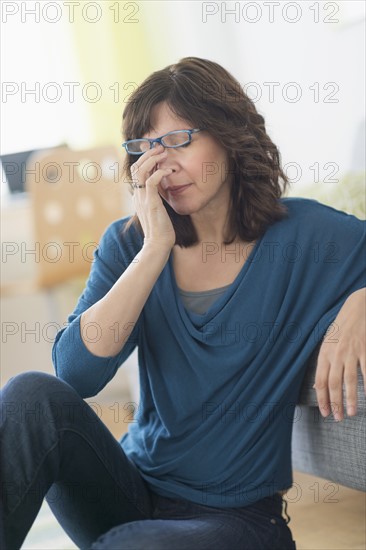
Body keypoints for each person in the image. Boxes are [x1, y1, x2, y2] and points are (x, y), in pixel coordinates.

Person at [1, 57, 365, 550]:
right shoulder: (130, 245)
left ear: (229, 136)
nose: (162, 163)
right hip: (129, 490)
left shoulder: (304, 236)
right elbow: (76, 375)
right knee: (29, 394)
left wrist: (361, 301)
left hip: (237, 523)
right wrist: (154, 249)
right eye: (145, 148)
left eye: (178, 141)